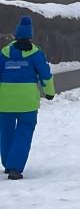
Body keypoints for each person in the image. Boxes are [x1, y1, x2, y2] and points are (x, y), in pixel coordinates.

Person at [0, 15, 55, 180]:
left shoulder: (4, 53)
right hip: (27, 102)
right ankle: (15, 167)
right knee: (24, 132)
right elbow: (45, 74)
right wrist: (50, 92)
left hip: (5, 101)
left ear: (16, 34)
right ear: (30, 35)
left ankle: (8, 163)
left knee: (5, 131)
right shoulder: (36, 53)